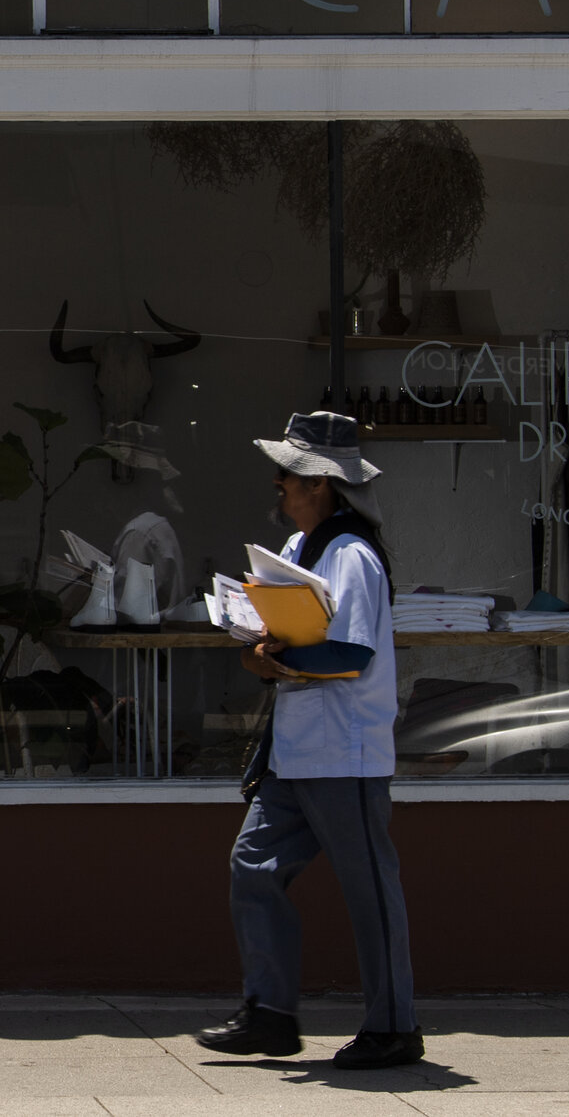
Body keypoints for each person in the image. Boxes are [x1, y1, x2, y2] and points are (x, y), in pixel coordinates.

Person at [197, 410, 421, 1070]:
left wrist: (280, 660)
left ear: (320, 483)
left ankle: (394, 1026)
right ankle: (269, 1012)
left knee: (369, 890)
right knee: (253, 864)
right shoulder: (298, 551)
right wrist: (260, 650)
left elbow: (348, 650)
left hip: (344, 752)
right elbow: (287, 638)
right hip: (296, 749)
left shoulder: (352, 554)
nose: (279, 486)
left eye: (288, 476)